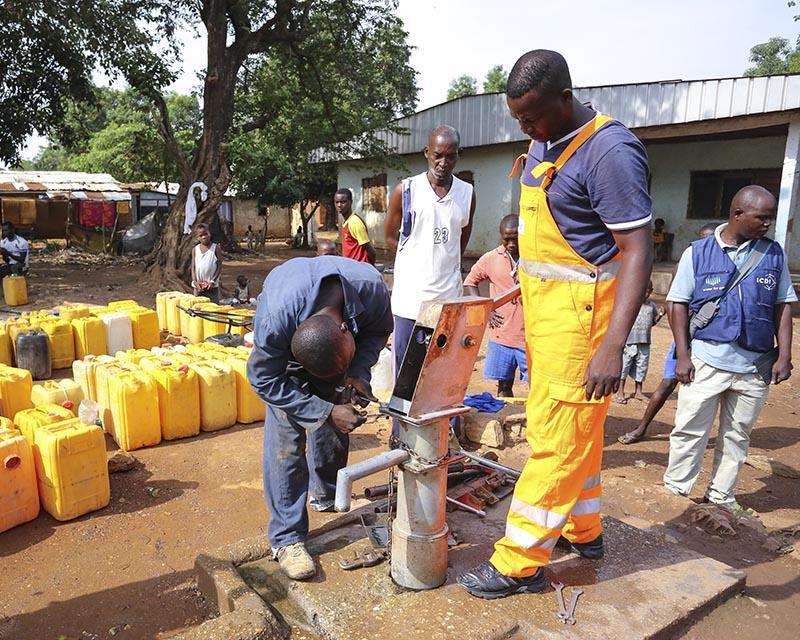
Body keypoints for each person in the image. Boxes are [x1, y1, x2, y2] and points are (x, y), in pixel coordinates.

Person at [457, 49, 652, 599]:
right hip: (544, 316)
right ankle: (582, 528)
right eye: (517, 119)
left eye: (531, 117)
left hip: (584, 323)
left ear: (565, 98)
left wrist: (614, 345)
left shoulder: (609, 152)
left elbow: (635, 253)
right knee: (578, 434)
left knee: (555, 440)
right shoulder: (546, 139)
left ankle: (519, 563)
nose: (524, 127)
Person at [247, 256, 393, 580]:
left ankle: (327, 495)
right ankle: (287, 539)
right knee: (286, 441)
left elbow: (380, 330)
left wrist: (356, 372)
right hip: (286, 359)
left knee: (338, 406)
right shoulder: (275, 321)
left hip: (331, 341)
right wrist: (323, 410)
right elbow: (263, 379)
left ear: (345, 326)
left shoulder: (371, 290)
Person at [663, 186, 795, 512]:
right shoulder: (698, 251)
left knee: (737, 436)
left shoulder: (774, 254)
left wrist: (786, 355)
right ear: (738, 214)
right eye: (762, 217)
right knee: (690, 432)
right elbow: (676, 304)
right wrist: (682, 354)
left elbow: (783, 307)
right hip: (706, 361)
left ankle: (721, 497)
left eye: (770, 217)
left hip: (754, 367)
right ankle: (675, 494)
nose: (768, 223)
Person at [384, 124, 476, 433]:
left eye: (450, 157)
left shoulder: (466, 193)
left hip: (447, 300)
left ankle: (446, 431)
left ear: (457, 157)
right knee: (407, 369)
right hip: (410, 300)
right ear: (427, 153)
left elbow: (460, 242)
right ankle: (403, 434)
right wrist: (418, 263)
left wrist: (444, 266)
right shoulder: (406, 190)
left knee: (446, 367)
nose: (443, 163)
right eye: (437, 155)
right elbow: (390, 237)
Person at [618, 223, 717, 445]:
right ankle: (642, 428)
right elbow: (675, 303)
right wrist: (682, 342)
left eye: (711, 239)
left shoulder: (726, 267)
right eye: (703, 238)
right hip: (687, 336)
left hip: (713, 339)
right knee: (668, 383)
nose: (706, 244)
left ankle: (694, 437)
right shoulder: (685, 264)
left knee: (706, 391)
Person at [464, 214, 526, 397]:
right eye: (507, 239)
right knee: (503, 388)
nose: (511, 244)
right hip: (501, 337)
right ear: (500, 237)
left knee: (537, 389)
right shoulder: (491, 258)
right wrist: (485, 309)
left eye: (516, 239)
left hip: (530, 338)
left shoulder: (535, 258)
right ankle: (504, 422)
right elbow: (470, 282)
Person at [615, 281, 664, 404]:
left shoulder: (651, 306)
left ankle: (638, 391)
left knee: (641, 367)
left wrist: (660, 315)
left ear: (651, 291)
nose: (645, 294)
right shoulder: (630, 304)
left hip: (644, 342)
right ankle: (620, 390)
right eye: (642, 291)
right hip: (630, 342)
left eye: (647, 292)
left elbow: (652, 322)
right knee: (624, 366)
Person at [336, 188, 376, 264]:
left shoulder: (355, 222)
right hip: (350, 268)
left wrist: (370, 269)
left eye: (343, 202)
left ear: (350, 202)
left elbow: (371, 252)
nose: (339, 205)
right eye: (337, 202)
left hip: (358, 270)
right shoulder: (346, 222)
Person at [190, 223, 222, 303]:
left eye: (205, 234)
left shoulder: (215, 248)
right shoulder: (195, 249)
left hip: (212, 286)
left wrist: (212, 281)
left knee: (213, 309)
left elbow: (219, 266)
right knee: (198, 308)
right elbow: (193, 267)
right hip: (198, 287)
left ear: (209, 234)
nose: (204, 237)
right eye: (201, 235)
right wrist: (195, 282)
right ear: (197, 237)